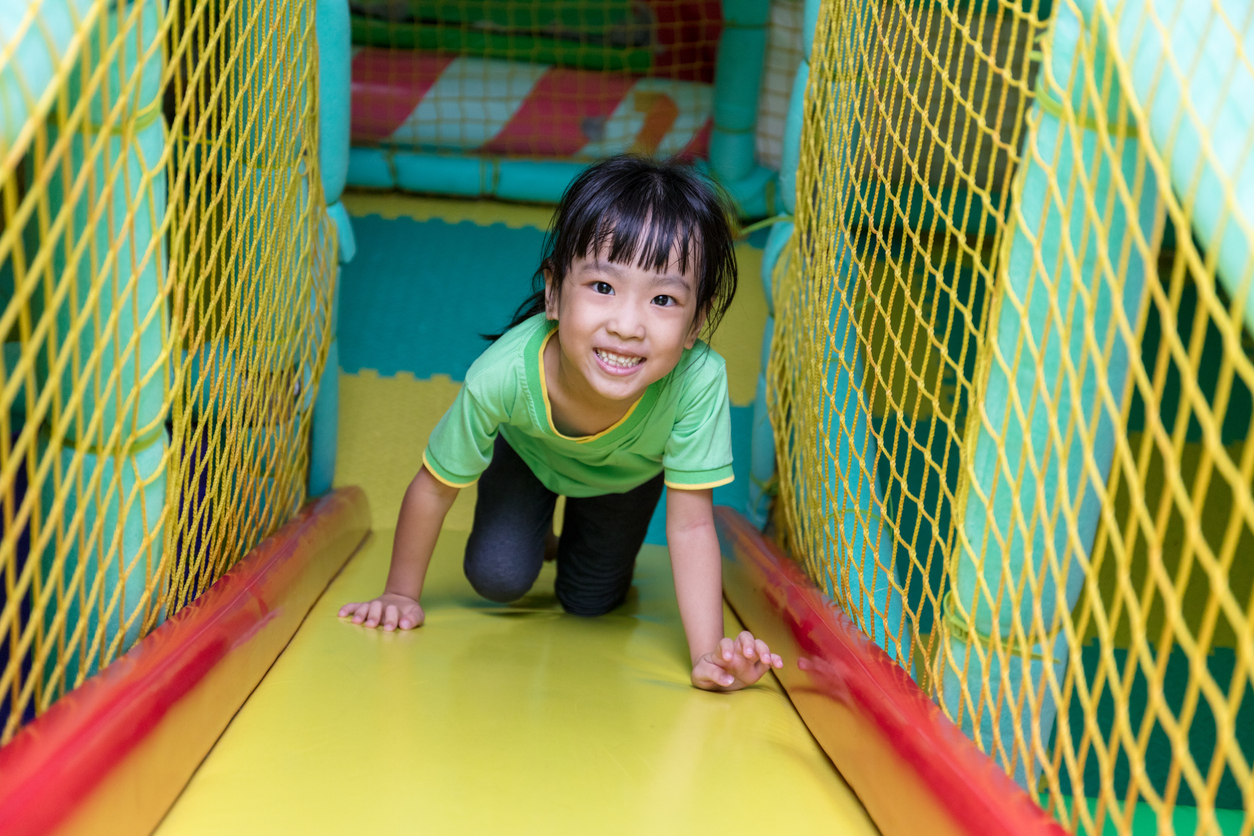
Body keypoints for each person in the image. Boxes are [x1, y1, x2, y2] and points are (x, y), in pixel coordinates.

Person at [338, 155, 783, 692]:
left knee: (589, 603)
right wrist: (400, 593)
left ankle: (569, 541)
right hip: (531, 459)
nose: (626, 325)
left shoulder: (699, 381)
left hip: (625, 479)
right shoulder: (502, 375)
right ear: (554, 291)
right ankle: (538, 532)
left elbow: (689, 525)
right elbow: (434, 488)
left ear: (697, 323)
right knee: (496, 577)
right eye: (602, 287)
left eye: (663, 299)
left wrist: (708, 655)